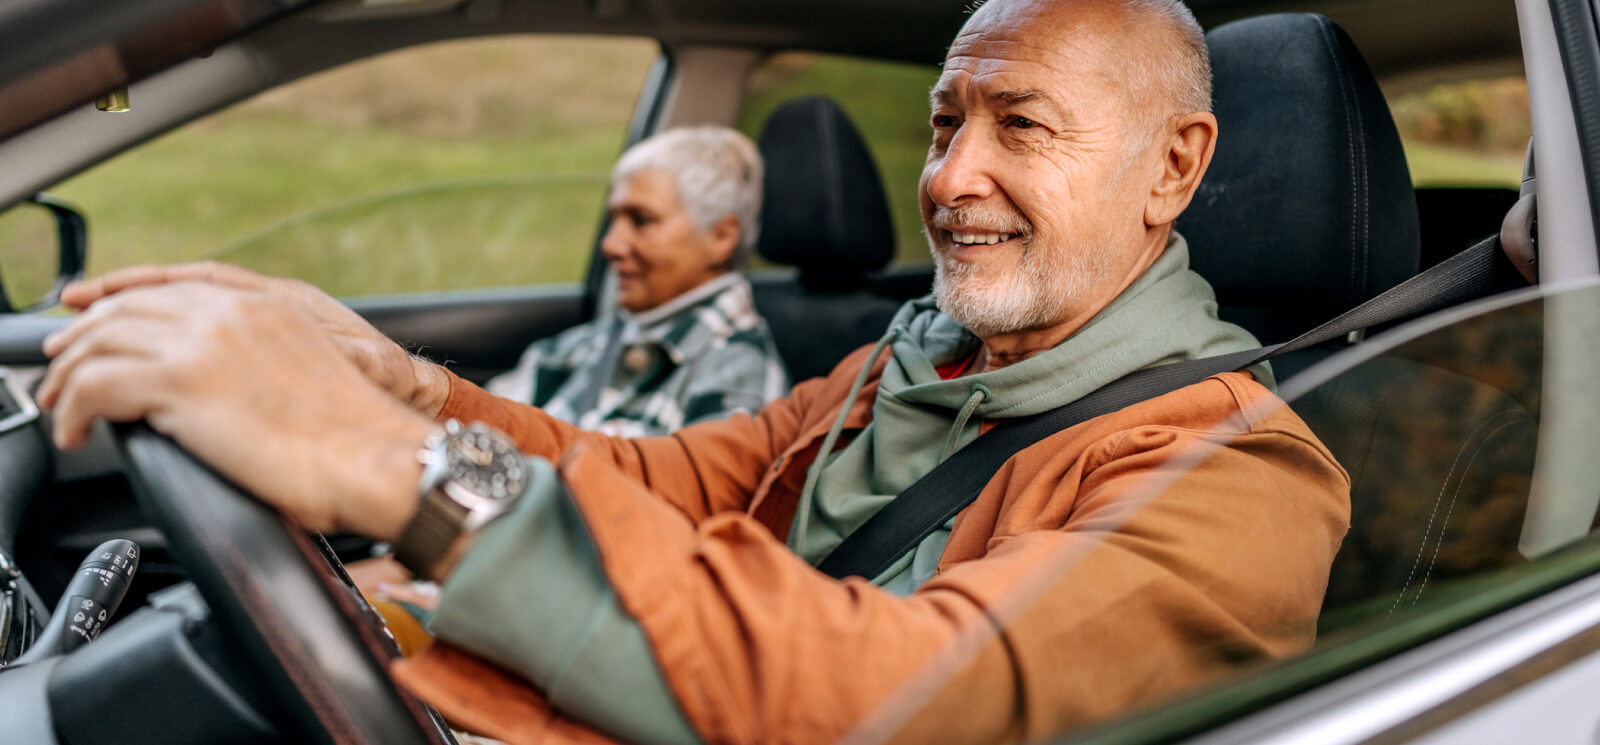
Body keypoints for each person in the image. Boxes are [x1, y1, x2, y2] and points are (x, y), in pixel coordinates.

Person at [37, 1, 1350, 744]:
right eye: (947, 122)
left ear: (1174, 168)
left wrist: (407, 474)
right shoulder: (910, 363)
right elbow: (655, 485)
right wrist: (410, 393)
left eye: (1023, 126)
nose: (949, 178)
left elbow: (901, 696)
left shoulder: (1245, 478)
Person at [487, 125, 788, 438]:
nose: (611, 245)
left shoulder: (739, 382)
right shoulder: (578, 348)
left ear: (721, 237)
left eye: (641, 220)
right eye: (613, 220)